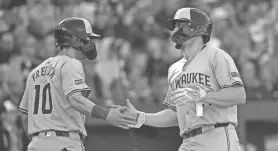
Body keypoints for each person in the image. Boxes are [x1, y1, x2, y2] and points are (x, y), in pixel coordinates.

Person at [117, 8, 246, 151]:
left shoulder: (216, 56)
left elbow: (239, 95)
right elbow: (174, 114)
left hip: (216, 134)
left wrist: (200, 95)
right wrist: (140, 117)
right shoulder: (174, 69)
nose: (174, 31)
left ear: (195, 28)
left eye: (179, 25)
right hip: (188, 141)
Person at [18, 17, 136, 151]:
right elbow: (75, 99)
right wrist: (107, 114)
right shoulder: (71, 63)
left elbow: (25, 117)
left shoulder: (35, 71)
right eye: (87, 38)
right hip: (63, 143)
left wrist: (41, 141)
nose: (89, 43)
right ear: (75, 40)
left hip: (36, 144)